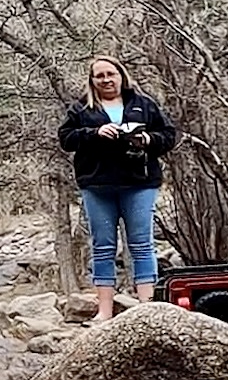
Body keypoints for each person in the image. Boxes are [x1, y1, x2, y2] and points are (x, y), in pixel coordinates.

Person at [58, 55, 178, 322]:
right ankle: (104, 311)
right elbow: (66, 138)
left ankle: (147, 306)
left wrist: (147, 139)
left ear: (121, 75)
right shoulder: (81, 110)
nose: (106, 80)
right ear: (92, 80)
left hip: (139, 183)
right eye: (99, 76)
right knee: (103, 246)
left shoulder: (144, 105)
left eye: (110, 74)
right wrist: (94, 133)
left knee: (141, 244)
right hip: (97, 185)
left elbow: (169, 135)